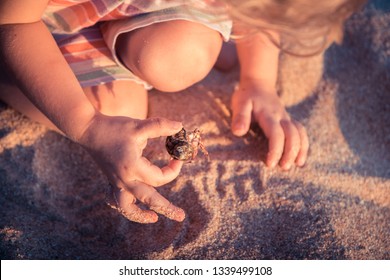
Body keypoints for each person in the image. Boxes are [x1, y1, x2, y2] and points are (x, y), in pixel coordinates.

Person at [0, 0, 366, 223]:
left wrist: (259, 82)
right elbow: (12, 20)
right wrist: (88, 126)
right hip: (21, 21)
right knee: (115, 109)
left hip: (120, 8)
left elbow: (262, 14)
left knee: (177, 58)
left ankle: (164, 29)